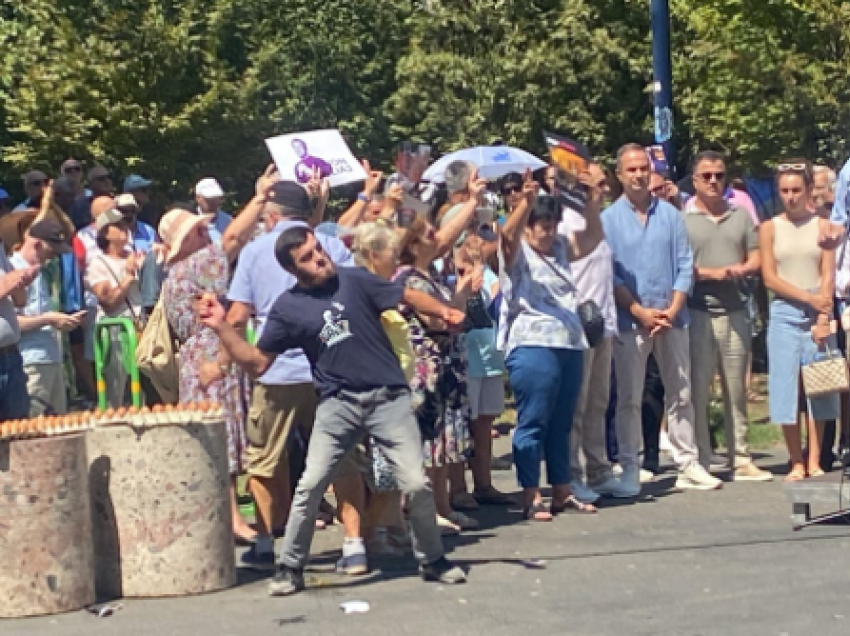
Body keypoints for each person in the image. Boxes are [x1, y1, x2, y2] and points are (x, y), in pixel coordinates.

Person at [200, 225, 469, 596]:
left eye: (318, 249)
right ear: (294, 270)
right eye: (308, 258)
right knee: (310, 484)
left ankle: (433, 559)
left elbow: (405, 294)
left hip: (387, 397)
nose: (320, 258)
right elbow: (258, 362)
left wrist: (444, 310)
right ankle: (290, 566)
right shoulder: (288, 308)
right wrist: (220, 329)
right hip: (337, 403)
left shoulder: (356, 281)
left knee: (415, 482)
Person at [226, 179, 351, 568]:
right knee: (342, 457)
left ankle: (264, 543)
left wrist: (222, 358)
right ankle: (354, 543)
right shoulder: (329, 246)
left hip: (275, 368)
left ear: (273, 214)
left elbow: (238, 313)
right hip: (328, 365)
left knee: (263, 459)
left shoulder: (253, 252)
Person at [602, 143, 722, 495]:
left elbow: (685, 264)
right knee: (629, 396)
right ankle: (628, 465)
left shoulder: (672, 215)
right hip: (630, 320)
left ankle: (688, 462)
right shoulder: (608, 220)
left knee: (681, 391)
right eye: (632, 169)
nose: (639, 174)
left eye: (643, 168)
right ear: (620, 174)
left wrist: (671, 308)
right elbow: (610, 274)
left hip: (673, 318)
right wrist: (638, 311)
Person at [499, 169, 604, 521]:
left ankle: (561, 489)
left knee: (561, 421)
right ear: (529, 226)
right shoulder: (517, 253)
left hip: (569, 342)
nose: (547, 230)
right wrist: (524, 203)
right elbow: (506, 236)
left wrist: (591, 203)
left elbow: (591, 238)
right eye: (540, 224)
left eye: (551, 223)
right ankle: (531, 494)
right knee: (533, 420)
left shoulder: (560, 247)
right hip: (532, 342)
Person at [394, 163, 487, 533]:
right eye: (428, 231)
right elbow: (437, 322)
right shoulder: (406, 277)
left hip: (446, 364)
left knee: (445, 440)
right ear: (414, 243)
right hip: (424, 369)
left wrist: (463, 291)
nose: (437, 234)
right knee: (427, 440)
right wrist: (455, 304)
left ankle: (444, 504)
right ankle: (422, 509)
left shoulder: (429, 273)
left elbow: (454, 315)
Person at [158, 207, 253, 541]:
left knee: (222, 437)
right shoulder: (189, 268)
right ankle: (231, 518)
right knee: (220, 438)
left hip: (208, 353)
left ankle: (225, 517)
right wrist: (258, 199)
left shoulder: (183, 272)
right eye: (196, 233)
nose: (204, 236)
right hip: (206, 356)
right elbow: (232, 239)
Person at [683, 150, 772, 481]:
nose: (713, 182)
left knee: (736, 389)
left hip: (735, 311)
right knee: (699, 390)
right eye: (706, 176)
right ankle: (702, 458)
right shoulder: (684, 219)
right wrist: (710, 274)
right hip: (698, 312)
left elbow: (756, 256)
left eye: (718, 175)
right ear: (694, 181)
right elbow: (681, 268)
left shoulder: (740, 216)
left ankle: (741, 457)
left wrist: (744, 268)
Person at [558, 162, 633, 500]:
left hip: (604, 324)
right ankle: (570, 475)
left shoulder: (595, 221)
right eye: (595, 184)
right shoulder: (563, 221)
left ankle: (599, 470)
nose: (601, 190)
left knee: (599, 402)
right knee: (576, 404)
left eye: (603, 184)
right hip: (578, 325)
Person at [761, 160, 837, 480]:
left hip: (817, 310)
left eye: (796, 190)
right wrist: (807, 298)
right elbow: (769, 277)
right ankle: (795, 460)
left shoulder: (822, 225)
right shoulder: (769, 228)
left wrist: (823, 315)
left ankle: (815, 458)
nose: (790, 196)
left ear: (807, 191)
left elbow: (827, 275)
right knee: (785, 388)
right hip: (784, 310)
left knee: (819, 387)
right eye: (784, 191)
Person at [11, 219, 83, 416]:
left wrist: (62, 322)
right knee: (31, 426)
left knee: (58, 425)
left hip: (51, 357)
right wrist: (48, 319)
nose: (51, 258)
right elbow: (11, 323)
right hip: (29, 360)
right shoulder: (11, 272)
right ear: (36, 244)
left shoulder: (40, 273)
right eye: (50, 252)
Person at [85, 207, 143, 407]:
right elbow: (108, 303)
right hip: (115, 333)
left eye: (125, 224)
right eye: (117, 225)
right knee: (116, 390)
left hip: (140, 329)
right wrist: (128, 277)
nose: (124, 228)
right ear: (104, 233)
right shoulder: (97, 263)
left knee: (143, 387)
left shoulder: (135, 256)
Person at [0, 241, 39, 420]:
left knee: (19, 431)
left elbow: (20, 301)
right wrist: (6, 284)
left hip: (10, 355)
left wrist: (22, 281)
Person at [69, 166, 114, 230]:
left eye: (109, 177)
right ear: (91, 183)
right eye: (101, 179)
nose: (106, 180)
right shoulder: (79, 207)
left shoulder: (119, 203)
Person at [194, 177, 233, 243]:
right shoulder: (190, 222)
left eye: (216, 198)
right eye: (209, 199)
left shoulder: (229, 222)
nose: (214, 202)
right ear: (198, 198)